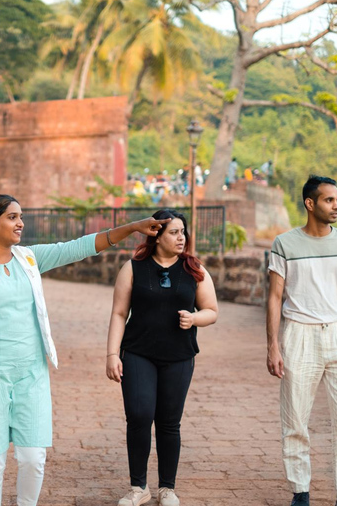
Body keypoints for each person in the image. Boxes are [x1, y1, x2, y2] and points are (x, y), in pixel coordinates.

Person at [0, 194, 167, 506]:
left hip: (32, 374)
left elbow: (78, 247)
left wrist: (132, 228)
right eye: (12, 217)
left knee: (33, 458)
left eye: (21, 216)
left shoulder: (29, 259)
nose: (21, 222)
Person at [267, 176, 337, 506]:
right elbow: (274, 297)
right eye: (329, 200)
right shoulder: (285, 243)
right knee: (296, 418)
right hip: (299, 334)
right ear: (310, 204)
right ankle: (300, 491)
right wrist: (273, 345)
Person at [105, 209, 218, 506]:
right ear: (156, 234)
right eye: (174, 232)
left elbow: (212, 311)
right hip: (138, 353)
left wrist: (194, 319)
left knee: (169, 422)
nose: (181, 238)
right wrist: (112, 354)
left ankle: (167, 488)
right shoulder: (133, 268)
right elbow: (119, 313)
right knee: (140, 416)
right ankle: (138, 487)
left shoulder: (195, 269)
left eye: (183, 232)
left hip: (179, 356)